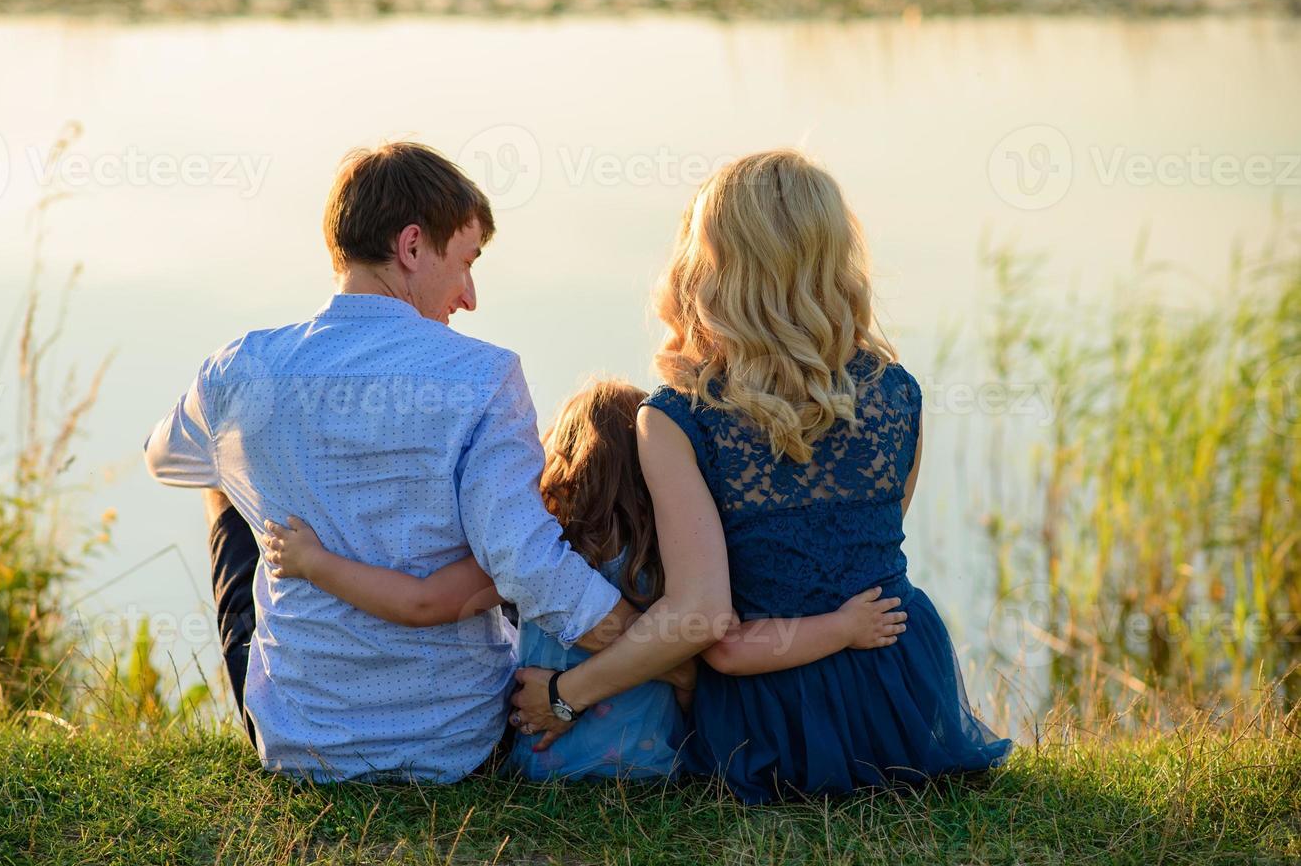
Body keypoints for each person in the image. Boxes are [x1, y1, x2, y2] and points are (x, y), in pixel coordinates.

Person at [512, 149, 1011, 803]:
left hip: (771, 722)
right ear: (835, 259)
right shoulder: (900, 393)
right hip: (901, 704)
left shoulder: (676, 418)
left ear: (710, 267)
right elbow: (856, 556)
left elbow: (701, 616)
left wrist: (564, 696)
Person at [143, 141, 650, 782]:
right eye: (465, 263)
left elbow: (164, 459)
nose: (468, 297)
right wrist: (647, 643)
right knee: (498, 523)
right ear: (412, 247)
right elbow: (525, 562)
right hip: (455, 743)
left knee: (225, 479)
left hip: (299, 742)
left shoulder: (242, 366)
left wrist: (272, 477)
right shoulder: (484, 375)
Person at [261, 379, 908, 781]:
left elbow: (426, 601)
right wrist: (841, 627)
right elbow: (721, 661)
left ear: (560, 469)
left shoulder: (537, 560)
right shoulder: (676, 572)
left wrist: (316, 563)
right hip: (660, 770)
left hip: (547, 764)